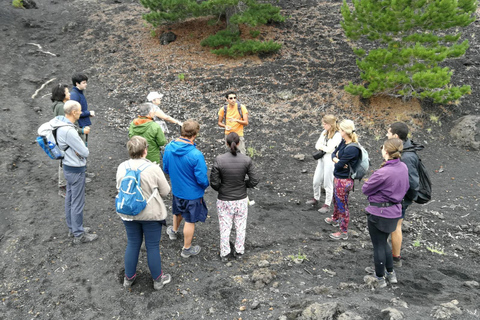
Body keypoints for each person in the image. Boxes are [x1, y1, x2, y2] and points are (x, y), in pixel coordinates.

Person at [116, 136, 172, 290]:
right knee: (152, 246)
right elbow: (166, 191)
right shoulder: (153, 168)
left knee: (133, 243)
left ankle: (129, 278)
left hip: (128, 212)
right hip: (150, 214)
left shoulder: (122, 167)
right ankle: (158, 280)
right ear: (145, 151)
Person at [362, 138, 409, 287]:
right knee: (384, 242)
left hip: (378, 213)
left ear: (386, 151)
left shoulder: (383, 172)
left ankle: (380, 278)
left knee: (379, 246)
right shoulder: (403, 167)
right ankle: (391, 273)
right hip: (394, 212)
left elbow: (365, 189)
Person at [163, 120, 209, 258]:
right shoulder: (196, 154)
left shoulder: (169, 148)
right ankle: (187, 249)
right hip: (192, 194)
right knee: (190, 220)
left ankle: (174, 231)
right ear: (195, 134)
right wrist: (204, 185)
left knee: (177, 211)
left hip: (177, 190)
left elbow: (165, 168)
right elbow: (202, 179)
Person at [210, 132, 259, 261]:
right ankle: (239, 251)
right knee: (240, 226)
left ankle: (225, 253)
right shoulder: (246, 160)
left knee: (225, 227)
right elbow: (254, 180)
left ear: (226, 143)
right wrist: (243, 185)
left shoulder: (219, 160)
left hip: (224, 199)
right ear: (239, 143)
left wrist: (223, 188)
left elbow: (214, 183)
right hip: (241, 199)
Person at [54, 100, 97, 244]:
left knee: (70, 199)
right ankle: (79, 235)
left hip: (67, 166)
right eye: (79, 110)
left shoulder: (60, 125)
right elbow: (85, 152)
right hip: (75, 169)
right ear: (73, 112)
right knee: (77, 201)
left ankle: (73, 228)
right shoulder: (69, 130)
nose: (80, 112)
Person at [387, 122, 422, 267]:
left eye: (388, 133)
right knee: (395, 225)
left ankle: (395, 258)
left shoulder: (406, 156)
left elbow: (413, 183)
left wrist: (407, 198)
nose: (386, 135)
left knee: (396, 226)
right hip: (399, 197)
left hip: (399, 198)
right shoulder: (405, 149)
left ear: (395, 135)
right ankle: (394, 255)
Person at [51, 84, 91, 197]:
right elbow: (66, 124)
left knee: (65, 158)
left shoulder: (61, 105)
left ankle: (71, 180)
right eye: (67, 92)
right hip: (65, 140)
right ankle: (62, 186)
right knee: (63, 160)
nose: (69, 94)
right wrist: (81, 131)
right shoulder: (60, 107)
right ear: (62, 95)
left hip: (64, 138)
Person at [325, 119, 360, 240]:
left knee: (342, 205)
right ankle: (335, 219)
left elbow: (340, 164)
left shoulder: (352, 148)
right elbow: (333, 154)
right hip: (338, 177)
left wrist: (338, 160)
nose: (339, 131)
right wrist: (337, 159)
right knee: (336, 200)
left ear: (345, 131)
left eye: (340, 129)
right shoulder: (343, 142)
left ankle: (343, 231)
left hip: (344, 180)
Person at [306, 115, 342, 213]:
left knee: (328, 182)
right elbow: (317, 145)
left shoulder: (338, 135)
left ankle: (327, 204)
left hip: (330, 160)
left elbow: (330, 149)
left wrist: (323, 148)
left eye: (325, 124)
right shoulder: (324, 132)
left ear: (330, 124)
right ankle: (316, 198)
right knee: (316, 181)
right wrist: (323, 148)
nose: (323, 126)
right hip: (322, 159)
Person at [70, 73, 95, 146]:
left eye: (86, 82)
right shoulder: (74, 95)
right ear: (77, 83)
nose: (86, 84)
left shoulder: (79, 93)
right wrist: (88, 113)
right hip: (79, 126)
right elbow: (74, 112)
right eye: (84, 83)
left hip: (82, 125)